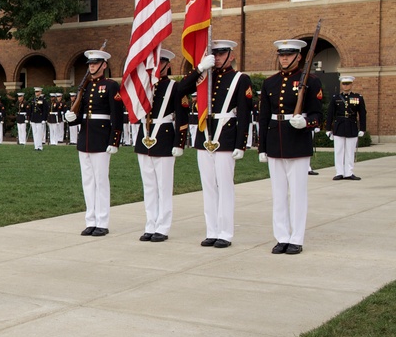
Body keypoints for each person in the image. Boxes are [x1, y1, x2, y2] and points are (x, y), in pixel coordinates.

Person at [178, 40, 253, 249]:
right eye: (215, 54)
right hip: (205, 137)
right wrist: (200, 68)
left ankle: (225, 232)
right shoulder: (204, 77)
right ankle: (211, 230)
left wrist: (241, 144)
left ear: (230, 55)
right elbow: (180, 90)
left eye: (221, 54)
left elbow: (245, 114)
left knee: (225, 186)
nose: (218, 57)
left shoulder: (240, 79)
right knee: (208, 186)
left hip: (227, 136)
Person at [258, 39, 323, 255]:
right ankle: (282, 236)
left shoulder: (311, 81)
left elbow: (318, 114)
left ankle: (296, 238)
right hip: (275, 141)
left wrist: (306, 123)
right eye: (281, 54)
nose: (284, 58)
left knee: (297, 194)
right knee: (278, 194)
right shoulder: (270, 83)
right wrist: (262, 148)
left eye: (288, 55)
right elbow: (264, 117)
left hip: (298, 142)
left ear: (299, 57)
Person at [64, 49, 123, 236]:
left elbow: (117, 116)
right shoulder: (87, 86)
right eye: (90, 64)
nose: (92, 66)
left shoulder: (111, 86)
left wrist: (114, 141)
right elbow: (82, 115)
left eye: (95, 63)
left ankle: (102, 222)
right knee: (87, 182)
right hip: (85, 139)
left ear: (104, 65)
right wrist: (71, 117)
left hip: (101, 139)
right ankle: (90, 220)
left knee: (101, 181)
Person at [133, 49, 189, 243]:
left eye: (160, 64)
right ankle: (150, 224)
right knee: (149, 187)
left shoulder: (175, 87)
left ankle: (163, 226)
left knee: (164, 187)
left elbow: (182, 116)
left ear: (167, 65)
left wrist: (179, 142)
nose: (156, 68)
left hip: (165, 137)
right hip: (145, 138)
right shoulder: (145, 85)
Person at [326, 75, 367, 181]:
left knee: (350, 150)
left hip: (351, 125)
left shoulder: (358, 97)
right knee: (339, 150)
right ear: (341, 85)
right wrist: (328, 129)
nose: (346, 86)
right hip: (339, 126)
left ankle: (349, 172)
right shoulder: (336, 98)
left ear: (351, 84)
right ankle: (339, 172)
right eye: (344, 84)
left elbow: (362, 114)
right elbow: (330, 114)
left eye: (348, 84)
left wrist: (362, 129)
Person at [30, 87, 49, 151]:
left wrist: (44, 119)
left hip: (40, 118)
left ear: (40, 92)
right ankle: (36, 146)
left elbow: (45, 110)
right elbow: (31, 110)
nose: (36, 93)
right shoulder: (33, 99)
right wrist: (30, 119)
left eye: (38, 92)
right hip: (34, 118)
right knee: (34, 133)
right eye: (35, 92)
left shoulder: (43, 100)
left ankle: (40, 146)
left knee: (39, 133)